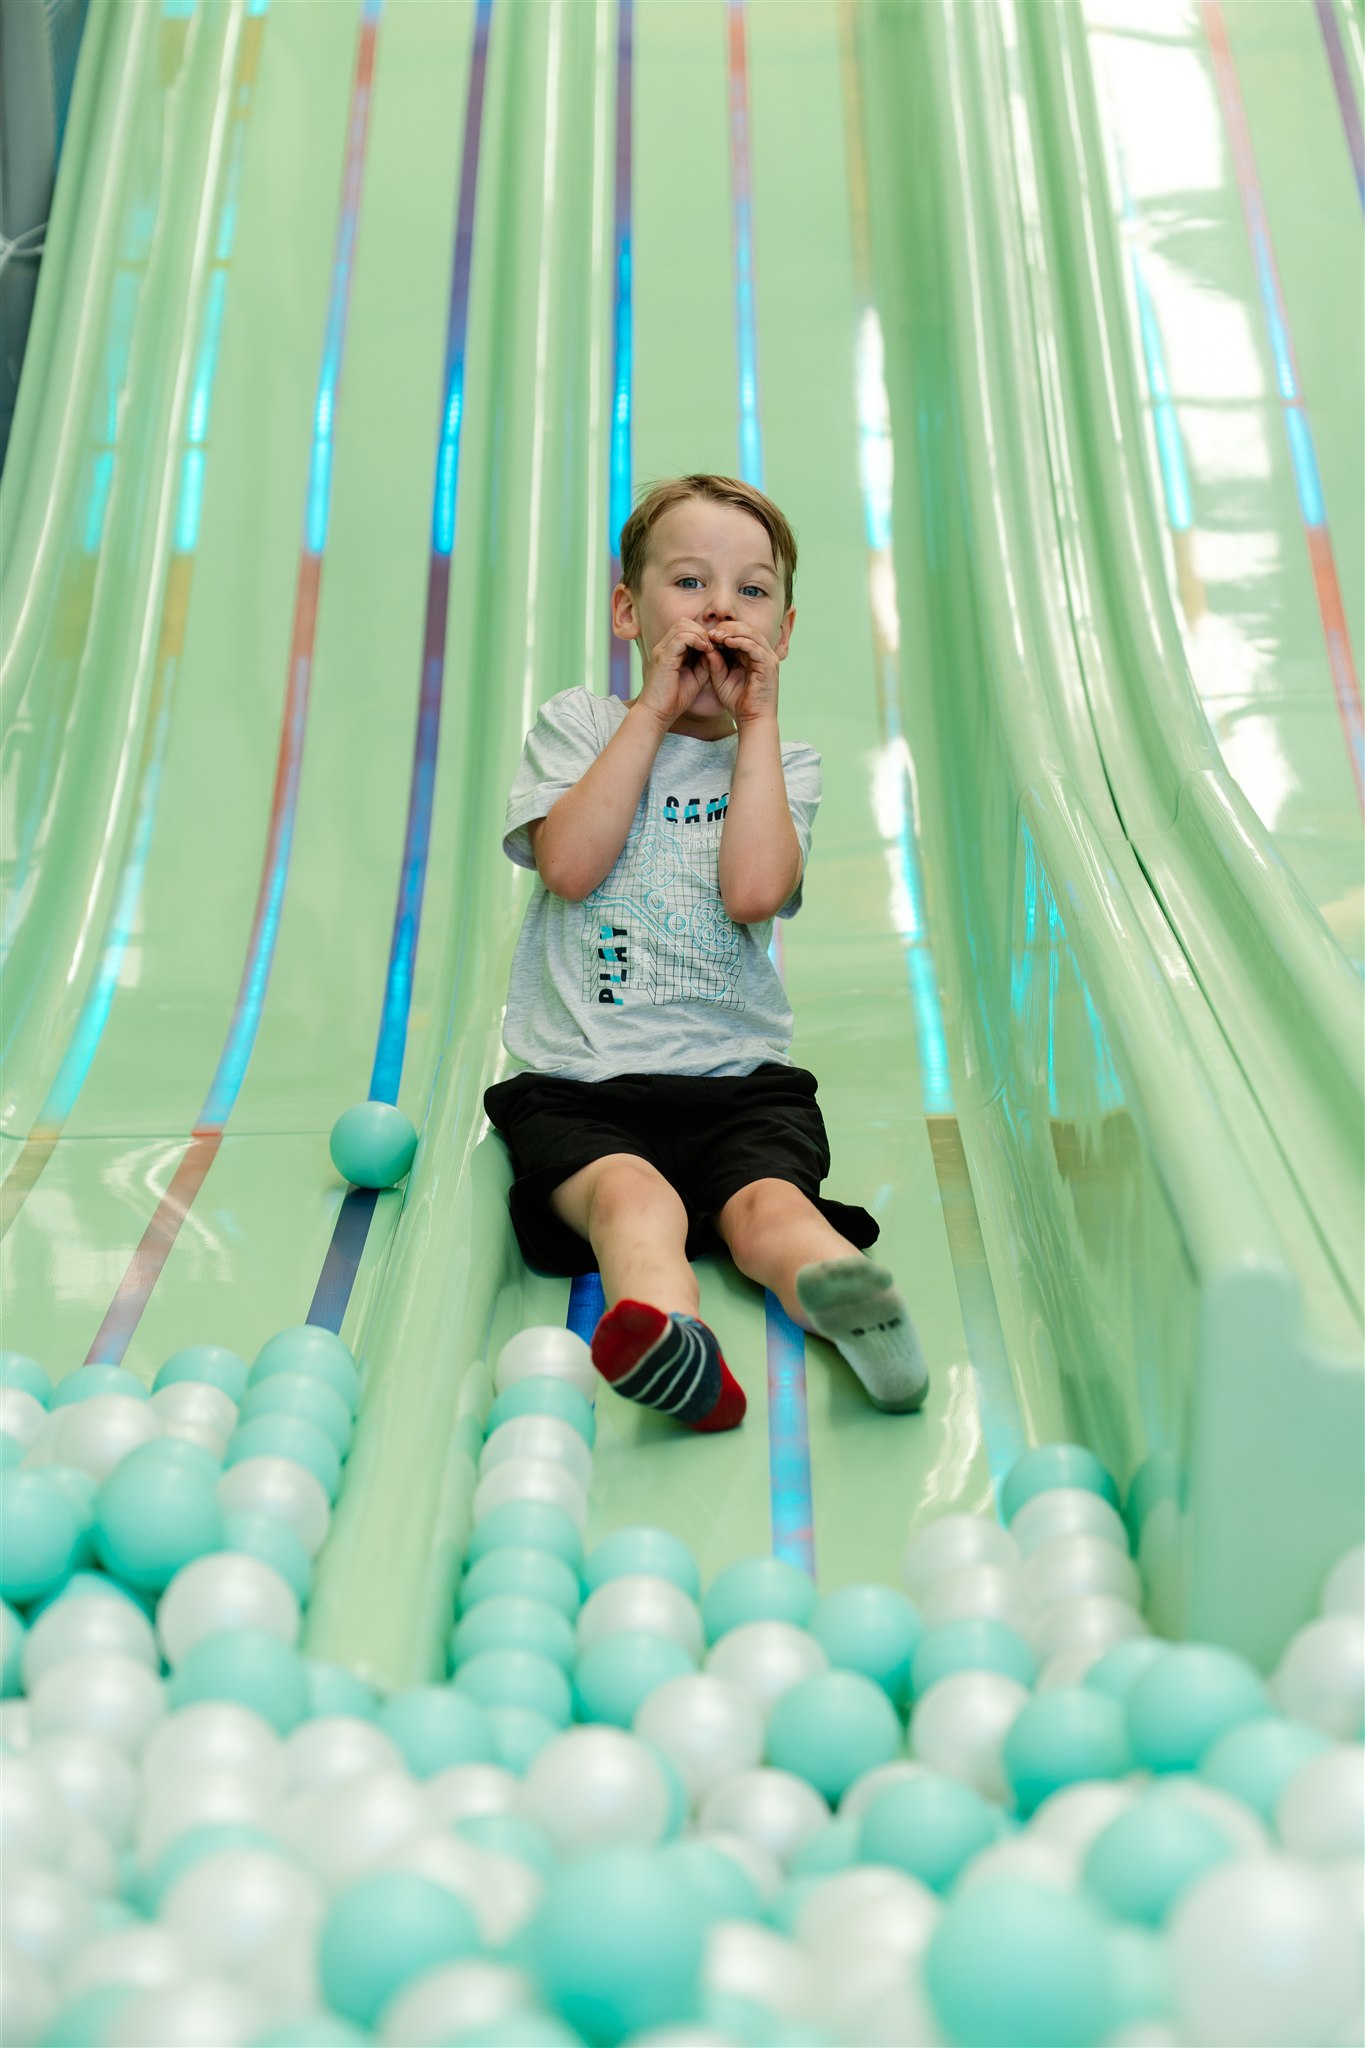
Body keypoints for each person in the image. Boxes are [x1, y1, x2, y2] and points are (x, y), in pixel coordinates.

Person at [484, 473, 928, 1432]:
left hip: (739, 1084)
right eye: (688, 583)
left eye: (752, 590)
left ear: (784, 629)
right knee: (633, 1204)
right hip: (582, 1087)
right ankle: (671, 1339)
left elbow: (754, 892)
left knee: (771, 1209)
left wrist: (756, 725)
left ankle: (854, 1308)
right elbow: (568, 864)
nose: (720, 606)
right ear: (626, 610)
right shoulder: (581, 726)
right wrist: (648, 713)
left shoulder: (781, 762)